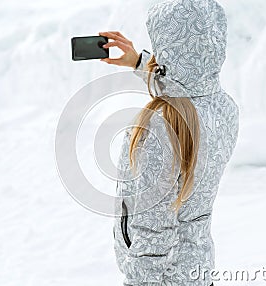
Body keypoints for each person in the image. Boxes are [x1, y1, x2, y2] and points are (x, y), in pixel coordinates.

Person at [100, 0, 239, 285]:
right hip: (197, 270)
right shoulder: (224, 108)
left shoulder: (158, 126)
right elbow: (189, 87)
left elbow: (153, 227)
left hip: (158, 279)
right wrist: (140, 62)